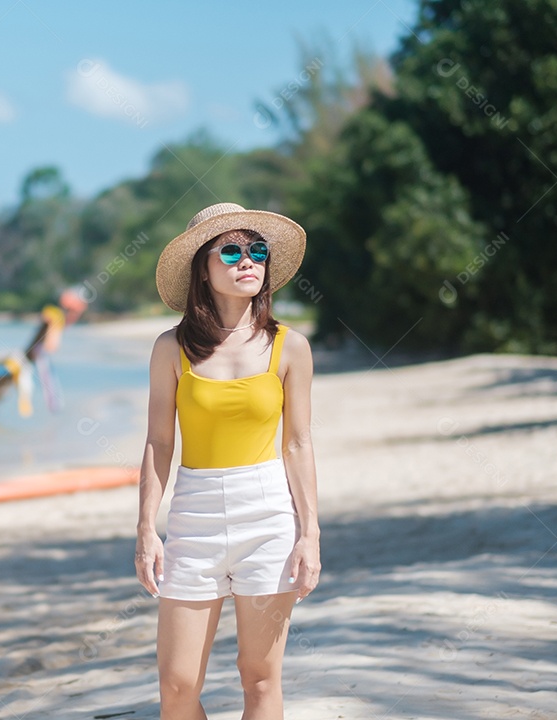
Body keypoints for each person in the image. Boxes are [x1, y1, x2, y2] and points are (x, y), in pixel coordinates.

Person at [135, 202, 321, 719]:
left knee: (258, 678)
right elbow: (158, 442)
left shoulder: (290, 347)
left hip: (268, 516)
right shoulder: (170, 348)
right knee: (176, 686)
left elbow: (299, 444)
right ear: (203, 268)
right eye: (232, 251)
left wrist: (310, 534)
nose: (249, 261)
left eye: (256, 250)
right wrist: (147, 527)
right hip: (193, 517)